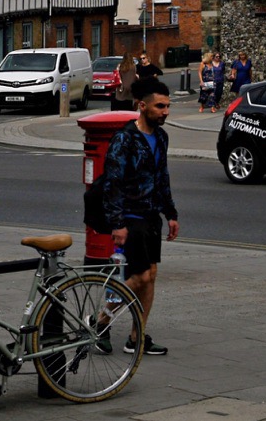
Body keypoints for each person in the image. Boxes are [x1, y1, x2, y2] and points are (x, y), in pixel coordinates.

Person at [101, 77, 179, 355]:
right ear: (142, 106)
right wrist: (117, 222)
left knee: (151, 275)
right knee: (141, 276)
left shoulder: (160, 137)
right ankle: (100, 322)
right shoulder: (125, 139)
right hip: (129, 216)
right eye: (160, 106)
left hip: (150, 216)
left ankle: (137, 337)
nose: (165, 111)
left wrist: (170, 212)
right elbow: (112, 182)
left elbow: (162, 177)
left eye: (168, 106)